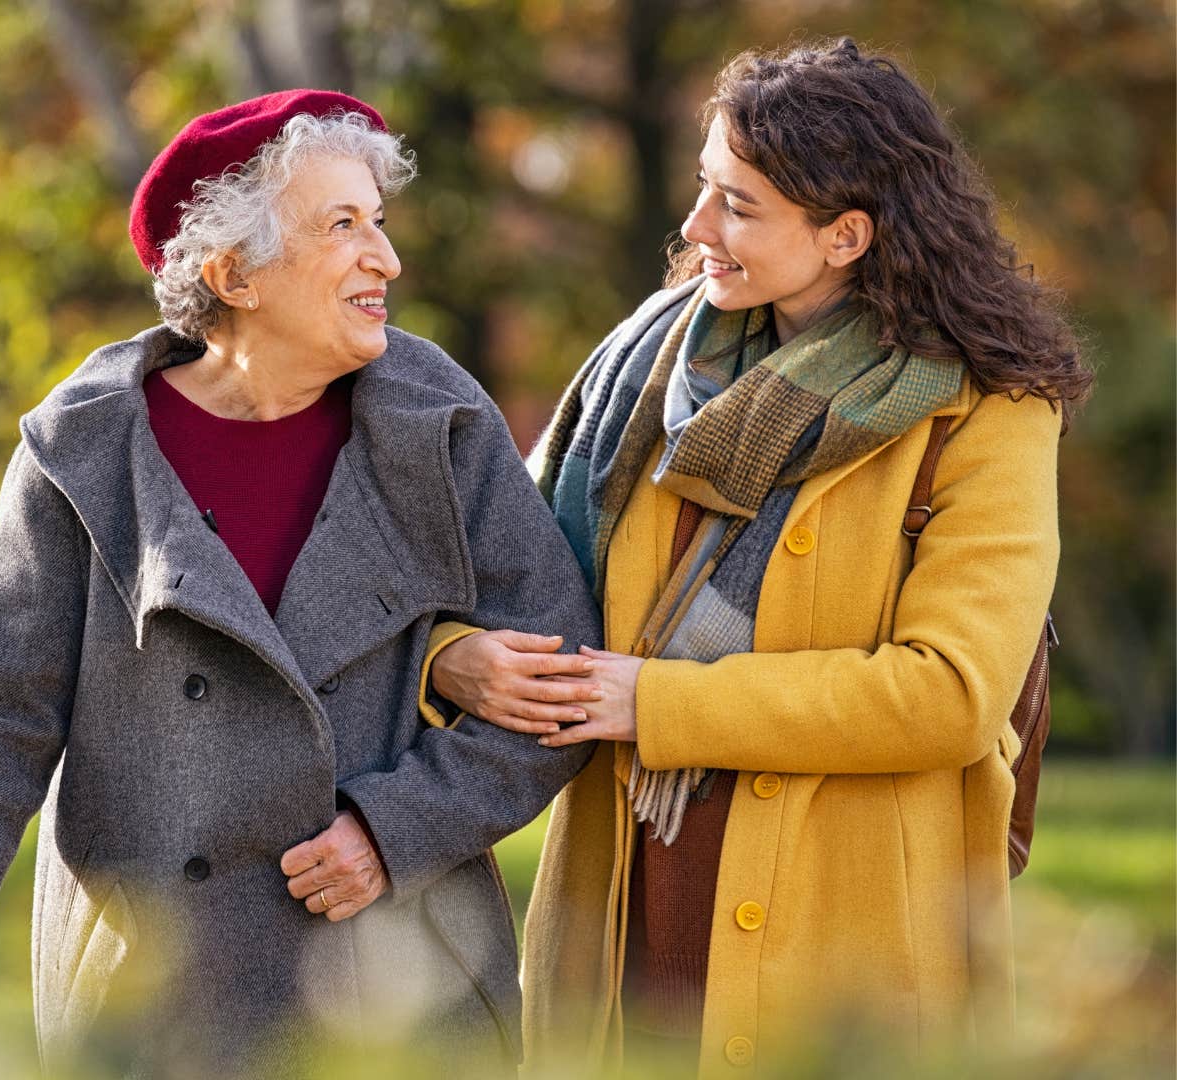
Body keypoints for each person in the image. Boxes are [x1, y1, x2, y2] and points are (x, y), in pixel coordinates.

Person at [0, 90, 601, 1077]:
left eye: (380, 222)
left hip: (399, 987)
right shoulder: (86, 450)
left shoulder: (436, 419)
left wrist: (394, 828)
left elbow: (559, 675)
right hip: (159, 997)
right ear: (234, 273)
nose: (386, 260)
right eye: (343, 226)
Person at [425, 38, 1090, 1076]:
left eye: (738, 206)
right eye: (702, 190)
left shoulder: (988, 414)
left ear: (845, 235)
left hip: (847, 949)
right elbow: (494, 578)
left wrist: (661, 705)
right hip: (622, 927)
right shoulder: (643, 377)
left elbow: (951, 693)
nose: (695, 231)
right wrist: (452, 657)